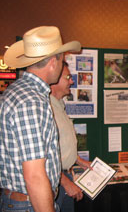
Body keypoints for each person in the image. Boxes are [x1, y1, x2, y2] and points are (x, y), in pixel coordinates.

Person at [0, 26, 81, 212]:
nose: (63, 65)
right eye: (63, 59)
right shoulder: (32, 102)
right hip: (29, 204)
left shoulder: (17, 91)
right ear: (53, 62)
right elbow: (35, 176)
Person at [50, 62, 91, 212]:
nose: (72, 81)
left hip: (63, 176)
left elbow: (61, 144)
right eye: (68, 77)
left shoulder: (59, 104)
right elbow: (43, 158)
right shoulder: (46, 108)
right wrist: (66, 183)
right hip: (55, 182)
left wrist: (79, 161)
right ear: (55, 79)